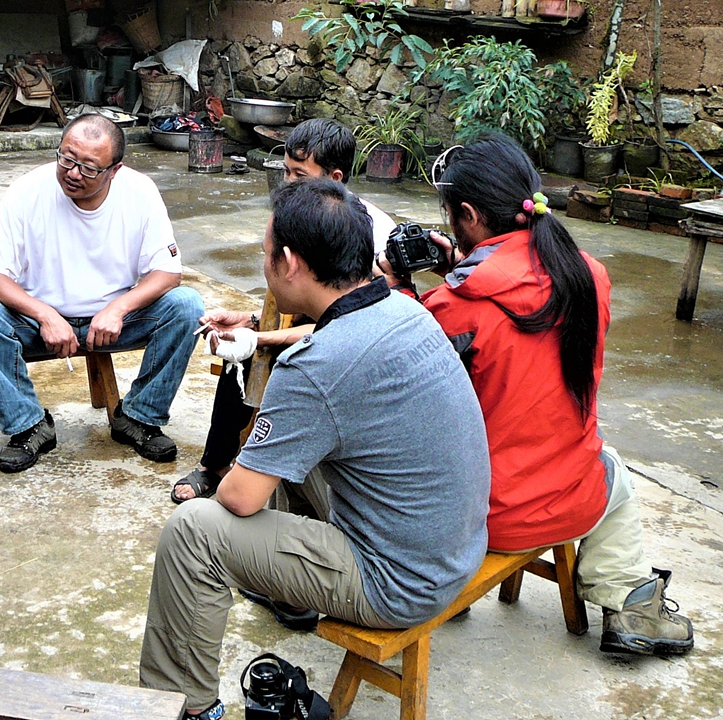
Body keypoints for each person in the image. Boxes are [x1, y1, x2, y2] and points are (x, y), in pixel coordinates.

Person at [137, 178, 491, 720]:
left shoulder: (315, 368)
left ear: (290, 263)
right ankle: (291, 594)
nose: (263, 265)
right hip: (457, 548)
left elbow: (238, 499)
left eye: (265, 254)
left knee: (194, 532)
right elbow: (332, 354)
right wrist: (259, 333)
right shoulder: (405, 311)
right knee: (295, 455)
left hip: (400, 583)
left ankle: (184, 707)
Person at [384, 134, 693, 656]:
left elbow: (409, 396)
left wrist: (400, 293)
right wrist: (469, 266)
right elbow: (528, 323)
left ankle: (445, 586)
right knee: (608, 464)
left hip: (483, 515)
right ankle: (632, 604)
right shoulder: (589, 275)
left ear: (468, 215)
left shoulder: (454, 306)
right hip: (572, 495)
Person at [0, 114, 204, 473]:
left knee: (187, 306)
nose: (73, 173)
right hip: (38, 324)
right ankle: (28, 426)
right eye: (67, 159)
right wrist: (44, 314)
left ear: (114, 170)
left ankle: (139, 417)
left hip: (112, 324)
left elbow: (168, 273)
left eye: (89, 168)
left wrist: (119, 308)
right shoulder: (27, 191)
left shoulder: (139, 192)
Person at [171, 119, 396, 503]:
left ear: (335, 177)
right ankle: (216, 464)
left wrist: (260, 337)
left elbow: (348, 325)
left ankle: (269, 469)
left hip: (342, 344)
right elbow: (290, 301)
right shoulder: (294, 215)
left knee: (261, 354)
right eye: (286, 172)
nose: (288, 183)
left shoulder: (373, 233)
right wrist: (252, 322)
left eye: (299, 175)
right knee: (241, 357)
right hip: (313, 326)